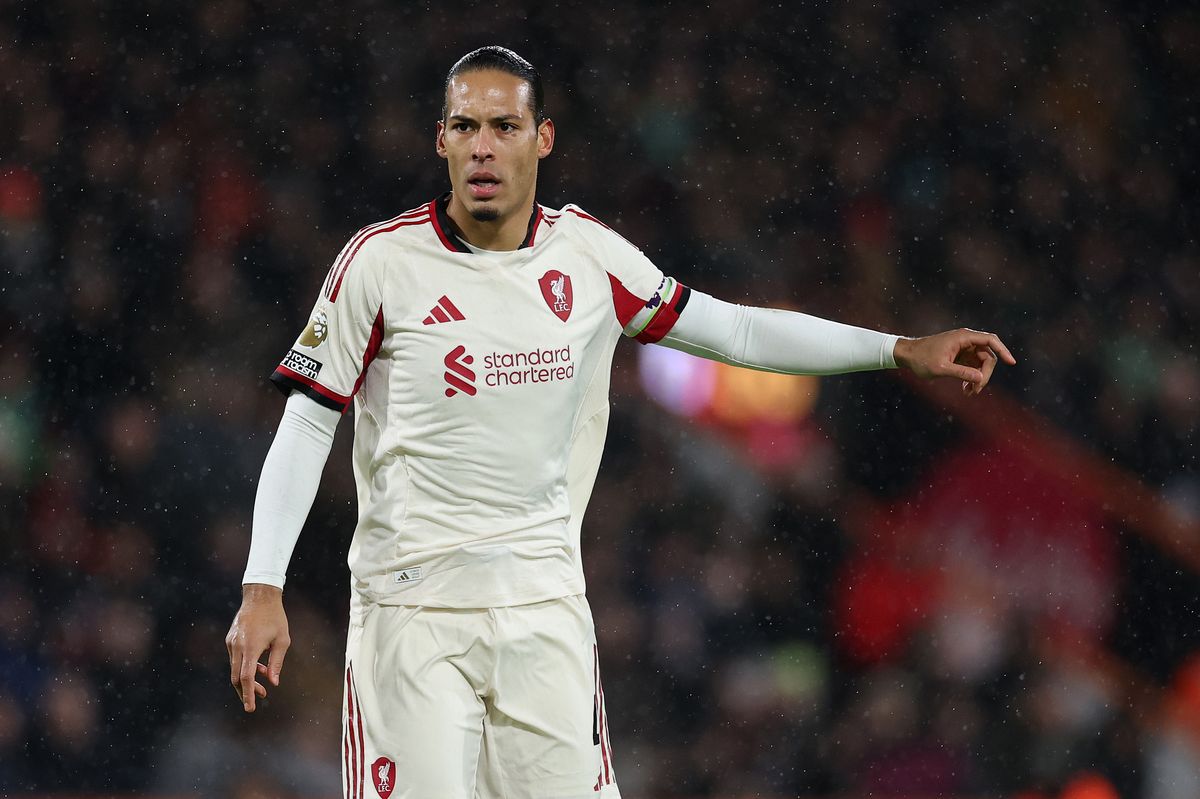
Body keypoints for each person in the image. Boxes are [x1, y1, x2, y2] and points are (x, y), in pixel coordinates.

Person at [225, 45, 1015, 799]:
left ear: (542, 138)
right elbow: (307, 420)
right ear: (441, 140)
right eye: (465, 127)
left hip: (544, 606)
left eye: (504, 127)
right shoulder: (380, 264)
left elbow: (735, 330)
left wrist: (898, 349)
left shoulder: (588, 256)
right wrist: (264, 584)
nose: (484, 147)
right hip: (411, 613)